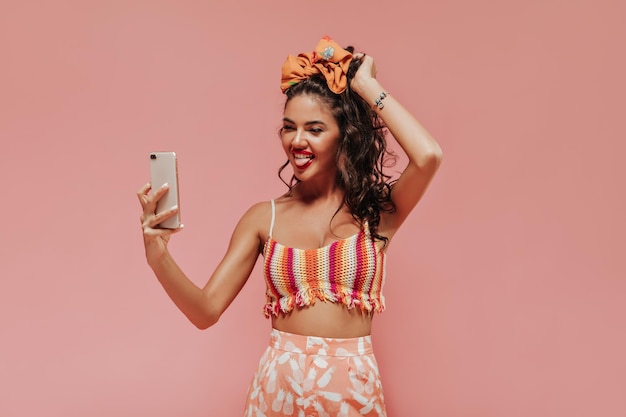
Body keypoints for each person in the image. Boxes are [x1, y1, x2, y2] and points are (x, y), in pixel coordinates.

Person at [137, 36, 442, 417]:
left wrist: (367, 86)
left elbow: (428, 156)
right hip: (278, 388)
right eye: (288, 127)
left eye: (314, 129)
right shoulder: (263, 217)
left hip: (353, 392)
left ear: (343, 136)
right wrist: (157, 254)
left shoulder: (375, 212)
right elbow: (205, 311)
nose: (297, 140)